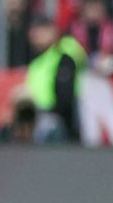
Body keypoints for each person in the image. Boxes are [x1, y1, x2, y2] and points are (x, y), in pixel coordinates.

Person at [24, 16, 86, 144]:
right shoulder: (38, 59)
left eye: (42, 30)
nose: (37, 35)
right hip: (38, 114)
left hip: (58, 118)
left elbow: (65, 97)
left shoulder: (64, 57)